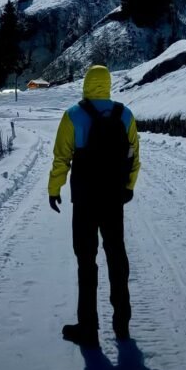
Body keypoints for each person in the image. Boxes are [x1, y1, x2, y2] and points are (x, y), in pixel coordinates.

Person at [48, 64, 140, 348]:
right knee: (117, 257)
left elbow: (61, 158)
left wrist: (54, 189)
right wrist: (128, 188)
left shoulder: (73, 115)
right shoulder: (125, 114)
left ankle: (88, 327)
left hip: (85, 201)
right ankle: (122, 322)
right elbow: (133, 157)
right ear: (108, 83)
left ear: (86, 83)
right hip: (113, 199)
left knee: (86, 262)